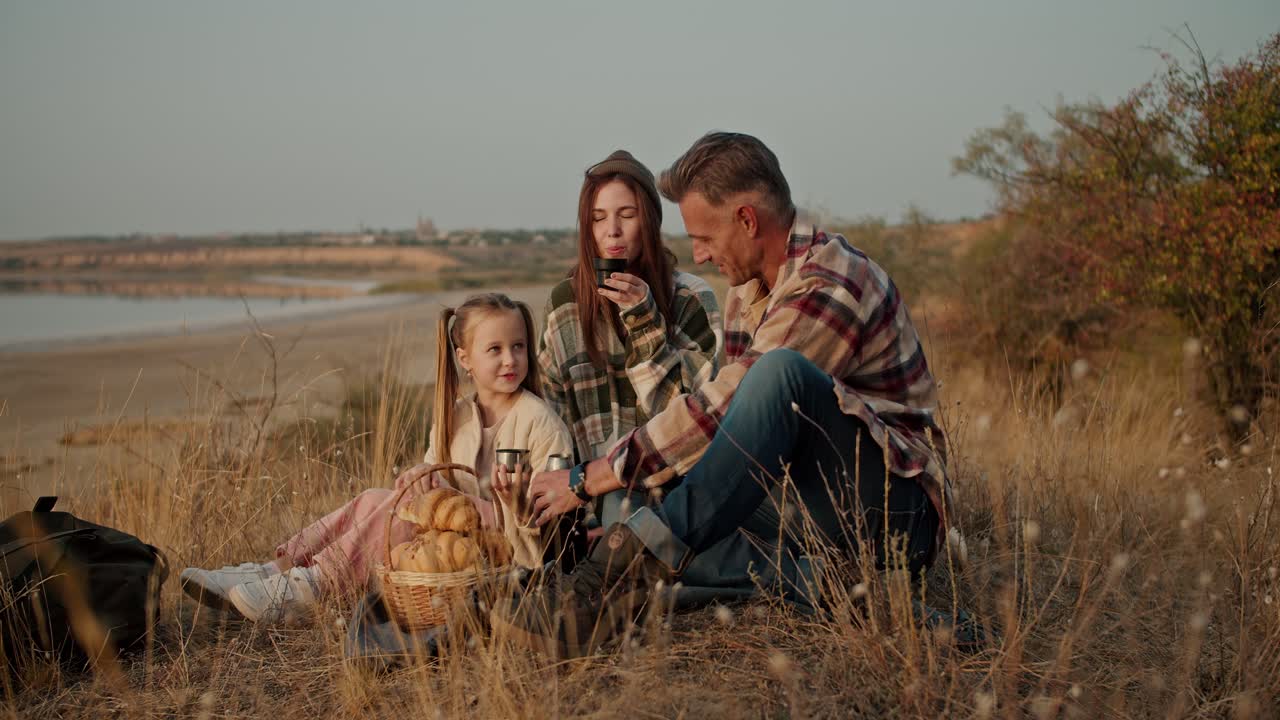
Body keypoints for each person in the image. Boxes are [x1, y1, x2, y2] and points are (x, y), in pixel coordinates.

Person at [492, 132, 954, 658]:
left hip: (892, 516)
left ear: (747, 220)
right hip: (799, 505)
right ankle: (813, 581)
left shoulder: (832, 283)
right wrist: (617, 495)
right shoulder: (747, 290)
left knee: (780, 376)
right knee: (631, 505)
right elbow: (722, 443)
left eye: (705, 237)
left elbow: (724, 407)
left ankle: (614, 581)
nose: (701, 254)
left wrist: (591, 475)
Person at [180, 293, 572, 623]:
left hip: (507, 548)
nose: (510, 359)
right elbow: (436, 483)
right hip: (451, 535)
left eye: (518, 347)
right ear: (464, 358)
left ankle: (313, 585)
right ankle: (274, 571)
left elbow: (554, 522)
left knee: (397, 512)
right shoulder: (456, 415)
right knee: (373, 497)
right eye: (495, 349)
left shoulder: (540, 421)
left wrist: (512, 499)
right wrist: (423, 471)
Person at [538, 150, 722, 539]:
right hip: (585, 501)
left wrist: (644, 320)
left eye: (627, 214)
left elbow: (691, 424)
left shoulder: (691, 298)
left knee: (630, 516)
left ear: (649, 220)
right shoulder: (564, 306)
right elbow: (551, 420)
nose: (612, 231)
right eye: (598, 218)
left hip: (674, 496)